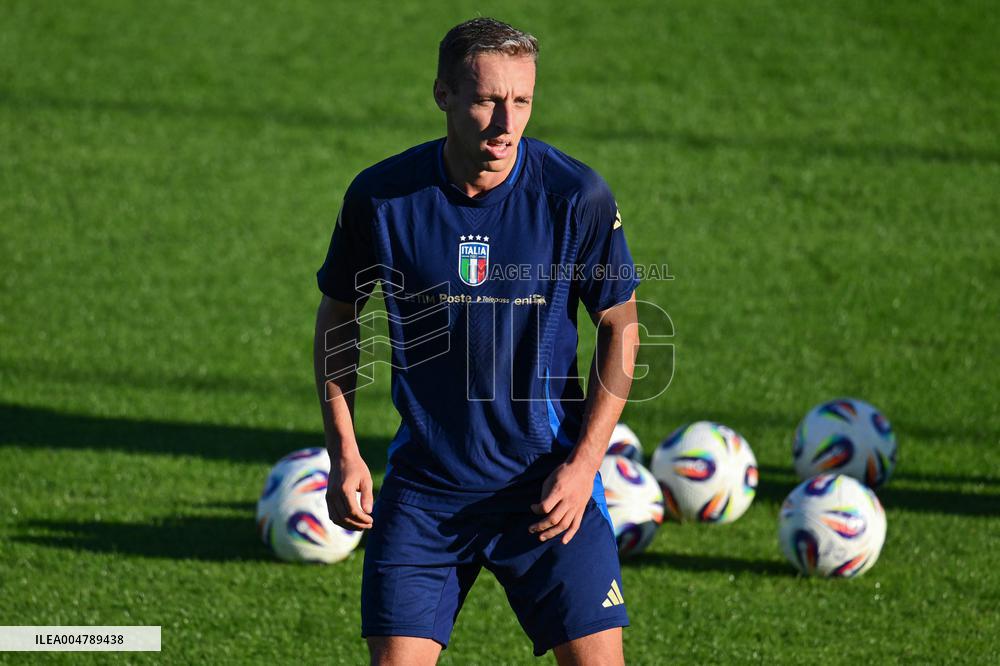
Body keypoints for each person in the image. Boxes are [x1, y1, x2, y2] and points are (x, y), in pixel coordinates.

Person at [314, 17, 640, 666]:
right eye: (488, 100)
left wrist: (583, 466)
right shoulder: (382, 197)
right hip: (428, 491)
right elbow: (339, 318)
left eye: (521, 102)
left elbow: (620, 327)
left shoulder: (572, 195)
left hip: (548, 486)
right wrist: (344, 452)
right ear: (443, 94)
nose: (506, 123)